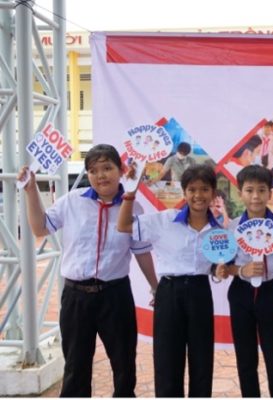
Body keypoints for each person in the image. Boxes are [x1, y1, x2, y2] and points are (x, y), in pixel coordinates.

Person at [17, 144, 158, 397]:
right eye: (93, 170)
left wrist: (155, 286)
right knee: (76, 367)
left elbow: (141, 252)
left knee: (124, 365)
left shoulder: (132, 208)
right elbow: (40, 228)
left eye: (107, 168)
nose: (100, 175)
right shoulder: (73, 201)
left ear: (121, 170)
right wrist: (30, 191)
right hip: (76, 298)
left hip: (115, 295)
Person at [117, 164, 223, 397]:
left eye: (204, 189)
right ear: (184, 192)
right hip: (169, 292)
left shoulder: (219, 230)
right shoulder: (165, 220)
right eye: (192, 189)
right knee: (167, 360)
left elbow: (219, 265)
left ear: (213, 193)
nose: (198, 195)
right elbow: (123, 225)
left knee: (202, 359)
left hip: (200, 292)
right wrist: (130, 193)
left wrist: (220, 270)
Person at [216, 165, 273, 397]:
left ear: (270, 193)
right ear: (240, 193)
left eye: (262, 190)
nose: (255, 196)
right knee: (246, 357)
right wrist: (241, 270)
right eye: (249, 190)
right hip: (240, 294)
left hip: (270, 293)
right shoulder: (232, 227)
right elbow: (225, 267)